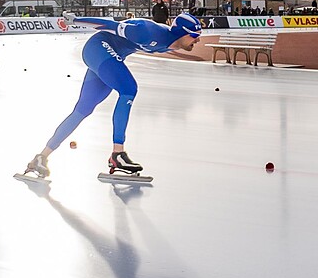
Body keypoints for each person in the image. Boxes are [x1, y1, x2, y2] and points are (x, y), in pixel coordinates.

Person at [20, 13, 203, 180]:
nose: (198, 40)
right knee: (128, 89)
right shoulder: (147, 31)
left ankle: (41, 157)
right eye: (195, 36)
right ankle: (117, 155)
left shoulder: (171, 45)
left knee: (82, 110)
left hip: (106, 56)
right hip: (98, 48)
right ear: (182, 33)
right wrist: (75, 20)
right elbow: (108, 25)